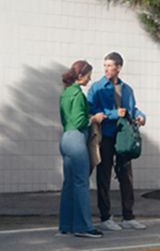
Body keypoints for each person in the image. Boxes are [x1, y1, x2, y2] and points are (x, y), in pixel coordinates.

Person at [87, 51, 147, 230]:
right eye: (104, 65)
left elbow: (133, 108)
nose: (106, 69)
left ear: (119, 67)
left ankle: (128, 217)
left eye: (109, 65)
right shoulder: (96, 88)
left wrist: (141, 116)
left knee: (126, 176)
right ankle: (106, 217)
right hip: (105, 136)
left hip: (124, 137)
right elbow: (91, 111)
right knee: (104, 176)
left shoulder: (127, 89)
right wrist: (114, 114)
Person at [59, 60, 105, 238]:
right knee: (81, 183)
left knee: (69, 183)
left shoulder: (65, 93)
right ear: (80, 76)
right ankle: (83, 227)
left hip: (65, 138)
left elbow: (66, 119)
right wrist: (94, 118)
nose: (90, 79)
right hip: (77, 139)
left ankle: (66, 224)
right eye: (88, 75)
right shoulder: (78, 94)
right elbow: (80, 122)